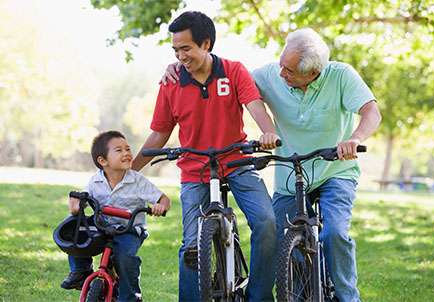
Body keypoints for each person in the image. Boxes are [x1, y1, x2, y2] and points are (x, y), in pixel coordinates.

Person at [162, 28, 382, 302]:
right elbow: (226, 77)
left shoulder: (341, 76)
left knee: (335, 233)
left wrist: (355, 138)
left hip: (334, 170)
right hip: (291, 173)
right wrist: (181, 66)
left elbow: (371, 111)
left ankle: (349, 297)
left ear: (313, 73)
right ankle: (299, 295)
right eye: (281, 64)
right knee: (281, 238)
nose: (281, 74)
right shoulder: (269, 75)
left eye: (289, 71)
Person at [132, 11, 279, 302]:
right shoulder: (171, 83)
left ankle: (259, 296)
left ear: (206, 43)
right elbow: (160, 132)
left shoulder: (234, 71)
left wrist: (268, 132)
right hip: (195, 169)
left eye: (186, 48)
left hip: (237, 161)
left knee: (267, 223)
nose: (180, 56)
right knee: (191, 246)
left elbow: (255, 105)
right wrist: (131, 171)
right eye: (175, 50)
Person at [60, 130, 171, 302]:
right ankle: (80, 272)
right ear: (103, 161)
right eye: (119, 150)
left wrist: (160, 206)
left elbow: (163, 199)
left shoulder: (137, 180)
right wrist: (76, 205)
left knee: (124, 257)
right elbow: (83, 198)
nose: (127, 153)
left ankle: (129, 296)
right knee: (75, 232)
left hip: (129, 229)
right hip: (103, 225)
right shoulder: (95, 181)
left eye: (127, 149)